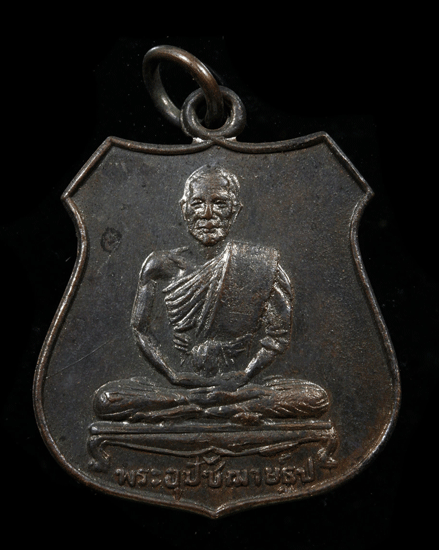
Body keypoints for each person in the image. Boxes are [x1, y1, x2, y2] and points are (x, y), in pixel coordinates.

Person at [94, 165, 330, 424]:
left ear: (235, 210)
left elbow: (278, 337)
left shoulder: (261, 265)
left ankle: (190, 409)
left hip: (238, 387)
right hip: (180, 386)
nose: (207, 214)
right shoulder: (159, 265)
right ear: (184, 208)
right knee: (107, 399)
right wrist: (172, 374)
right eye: (198, 203)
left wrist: (245, 375)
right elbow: (140, 329)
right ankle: (216, 409)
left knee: (315, 398)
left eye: (219, 203)